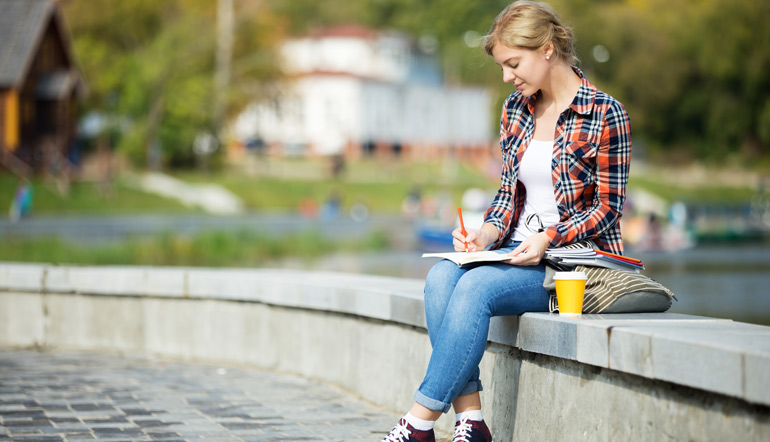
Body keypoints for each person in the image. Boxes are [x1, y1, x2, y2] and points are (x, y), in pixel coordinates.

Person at [381, 1, 632, 441]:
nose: (507, 76)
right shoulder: (516, 109)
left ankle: (418, 424)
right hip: (513, 252)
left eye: (513, 63)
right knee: (440, 278)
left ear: (548, 49)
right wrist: (484, 233)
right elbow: (505, 197)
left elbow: (608, 209)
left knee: (475, 288)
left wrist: (548, 237)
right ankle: (471, 420)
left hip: (571, 267)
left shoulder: (605, 114)